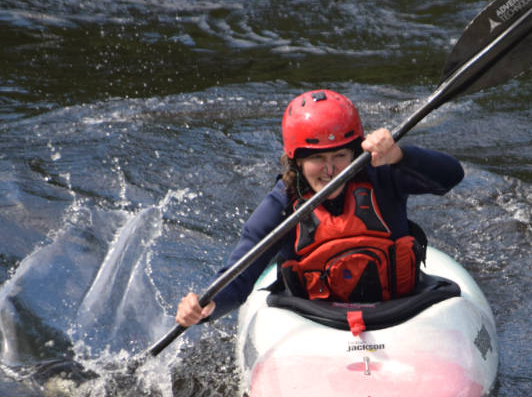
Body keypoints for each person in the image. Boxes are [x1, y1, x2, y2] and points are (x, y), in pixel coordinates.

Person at [176, 89, 464, 326]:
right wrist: (206, 306)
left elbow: (451, 176)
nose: (330, 170)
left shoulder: (382, 176)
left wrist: (399, 155)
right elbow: (241, 275)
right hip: (316, 320)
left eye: (340, 155)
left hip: (401, 310)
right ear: (297, 161)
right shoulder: (283, 204)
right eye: (317, 159)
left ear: (355, 152)